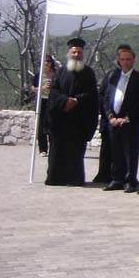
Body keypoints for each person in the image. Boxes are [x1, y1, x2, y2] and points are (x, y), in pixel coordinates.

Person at [45, 37, 99, 186]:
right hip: (61, 120)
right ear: (69, 53)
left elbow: (92, 95)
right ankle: (56, 178)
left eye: (79, 52)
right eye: (74, 52)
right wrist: (65, 101)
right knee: (57, 151)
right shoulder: (60, 72)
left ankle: (74, 179)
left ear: (83, 54)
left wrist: (76, 101)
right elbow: (53, 92)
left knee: (76, 153)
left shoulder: (89, 73)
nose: (76, 55)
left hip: (78, 121)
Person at [102, 45, 139, 193]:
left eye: (128, 59)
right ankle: (117, 179)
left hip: (130, 122)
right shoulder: (113, 77)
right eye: (122, 59)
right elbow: (106, 97)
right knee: (115, 152)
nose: (125, 62)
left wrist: (127, 117)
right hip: (114, 121)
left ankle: (130, 181)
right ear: (119, 60)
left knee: (130, 152)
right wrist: (110, 116)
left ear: (133, 60)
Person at [34, 55, 57, 156]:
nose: (46, 63)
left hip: (53, 101)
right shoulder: (38, 75)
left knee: (52, 124)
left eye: (48, 61)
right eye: (45, 61)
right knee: (40, 125)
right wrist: (42, 88)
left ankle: (53, 148)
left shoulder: (56, 74)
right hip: (41, 101)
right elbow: (33, 88)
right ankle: (43, 149)